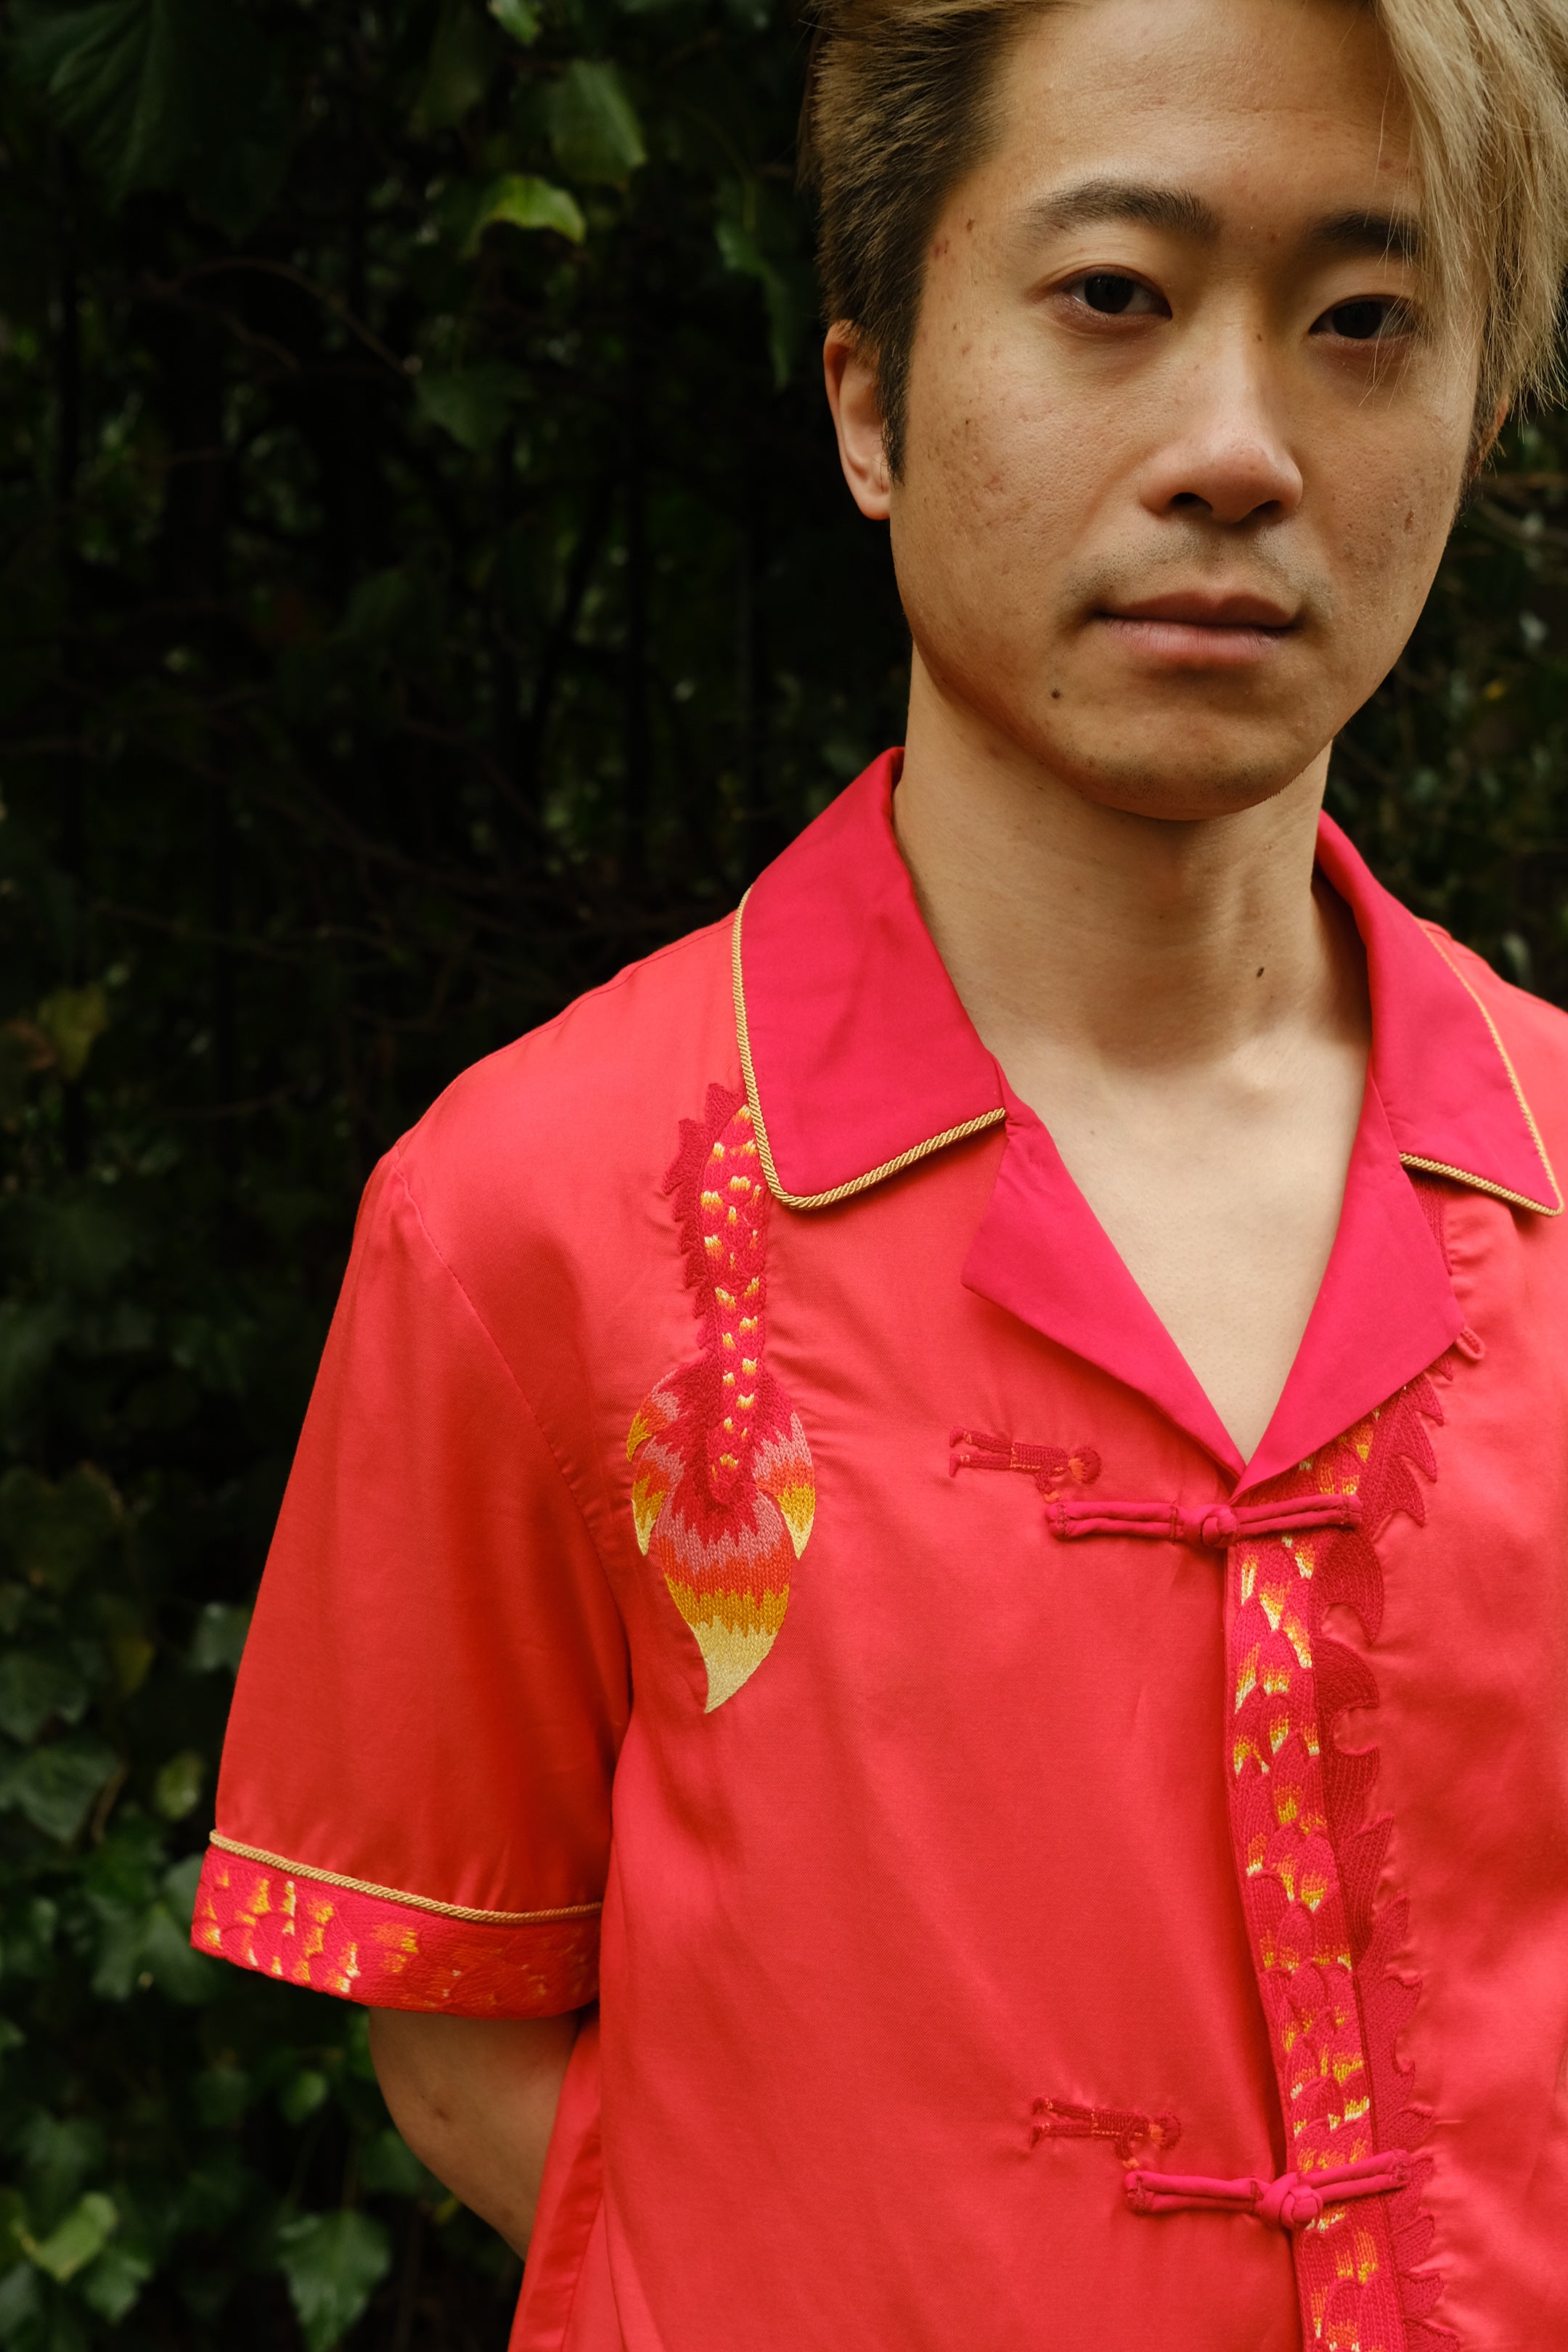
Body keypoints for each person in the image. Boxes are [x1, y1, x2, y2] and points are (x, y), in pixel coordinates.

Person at [192, 0, 1568, 2344]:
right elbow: (454, 2023)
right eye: (1115, 296)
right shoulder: (531, 1215)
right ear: (867, 398)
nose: (1238, 449)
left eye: (1365, 322)